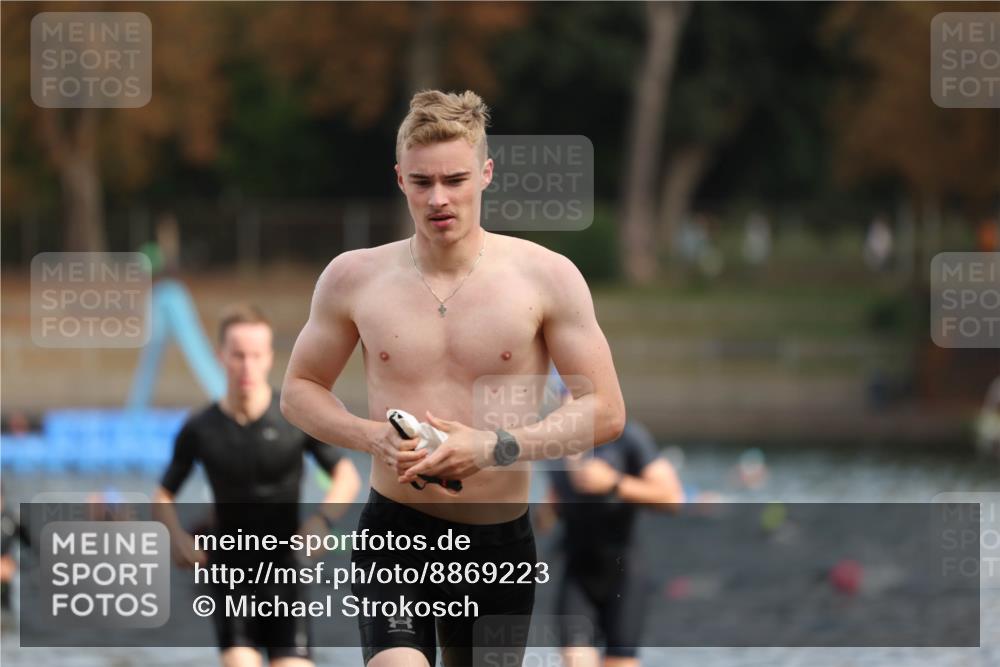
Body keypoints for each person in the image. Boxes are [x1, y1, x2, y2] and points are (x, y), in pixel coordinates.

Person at [280, 89, 626, 667]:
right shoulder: (354, 277)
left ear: (486, 173)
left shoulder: (547, 277)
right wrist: (371, 437)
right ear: (399, 179)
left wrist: (496, 447)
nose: (439, 198)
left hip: (497, 542)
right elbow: (298, 391)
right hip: (394, 534)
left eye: (455, 180)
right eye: (422, 183)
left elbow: (607, 411)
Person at [153, 303, 362, 667]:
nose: (246, 366)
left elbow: (347, 476)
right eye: (237, 356)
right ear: (221, 357)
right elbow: (162, 495)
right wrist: (177, 537)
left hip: (287, 570)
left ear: (268, 358)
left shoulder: (293, 418)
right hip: (230, 573)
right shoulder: (200, 428)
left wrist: (321, 522)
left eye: (255, 355)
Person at [540, 374, 683, 667]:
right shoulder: (552, 448)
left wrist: (614, 483)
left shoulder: (628, 437)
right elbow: (546, 517)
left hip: (624, 571)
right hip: (577, 572)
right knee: (575, 659)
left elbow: (672, 498)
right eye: (564, 396)